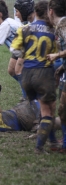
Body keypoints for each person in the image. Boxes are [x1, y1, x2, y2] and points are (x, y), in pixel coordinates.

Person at [10, 1, 58, 154]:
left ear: (35, 13)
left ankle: (53, 141)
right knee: (48, 111)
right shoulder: (53, 30)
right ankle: (39, 147)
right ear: (49, 12)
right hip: (43, 73)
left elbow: (14, 49)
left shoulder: (25, 29)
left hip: (26, 75)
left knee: (46, 110)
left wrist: (27, 53)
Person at [46, 0, 66, 154]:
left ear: (51, 11)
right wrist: (61, 68)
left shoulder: (63, 25)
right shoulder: (60, 26)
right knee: (62, 109)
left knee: (62, 109)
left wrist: (56, 55)